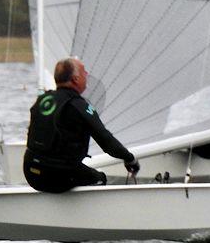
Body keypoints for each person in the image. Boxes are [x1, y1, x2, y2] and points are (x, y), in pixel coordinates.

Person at [23, 58, 140, 193]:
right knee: (100, 178)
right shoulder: (79, 105)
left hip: (30, 171)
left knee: (74, 169)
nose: (87, 74)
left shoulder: (43, 99)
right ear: (75, 79)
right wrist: (129, 159)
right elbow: (106, 140)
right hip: (56, 174)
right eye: (84, 72)